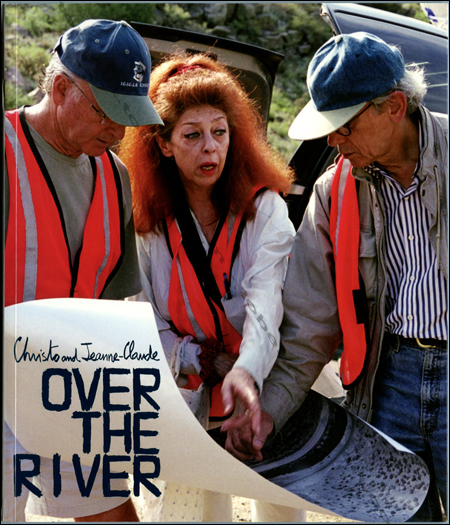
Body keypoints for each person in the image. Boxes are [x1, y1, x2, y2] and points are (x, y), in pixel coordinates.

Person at [223, 32, 448, 522]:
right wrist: (267, 412)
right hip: (387, 382)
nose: (331, 141)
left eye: (343, 125)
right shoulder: (334, 191)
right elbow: (306, 328)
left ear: (392, 106)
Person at [118, 52, 314, 522]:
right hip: (186, 385)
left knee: (282, 504)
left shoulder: (263, 210)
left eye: (220, 132)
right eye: (192, 135)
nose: (211, 149)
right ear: (163, 144)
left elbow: (267, 308)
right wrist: (202, 359)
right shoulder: (147, 226)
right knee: (193, 510)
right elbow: (145, 321)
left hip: (266, 379)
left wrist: (244, 372)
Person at [4, 19, 162, 523]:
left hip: (68, 386)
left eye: (128, 116)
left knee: (113, 512)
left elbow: (111, 305)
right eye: (105, 112)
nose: (117, 131)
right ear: (60, 88)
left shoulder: (115, 178)